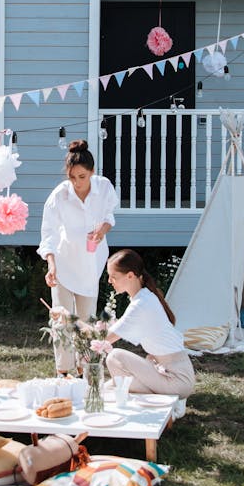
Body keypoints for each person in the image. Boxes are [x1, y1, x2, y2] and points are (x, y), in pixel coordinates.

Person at [38, 139, 118, 375]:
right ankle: (63, 370)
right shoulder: (59, 196)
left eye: (82, 177)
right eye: (72, 177)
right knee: (62, 319)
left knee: (87, 321)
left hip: (90, 263)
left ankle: (86, 368)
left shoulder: (103, 187)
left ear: (92, 173)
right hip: (63, 262)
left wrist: (102, 232)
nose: (77, 182)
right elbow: (48, 233)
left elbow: (109, 217)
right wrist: (51, 264)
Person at [103, 248, 195, 398]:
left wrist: (70, 320)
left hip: (177, 381)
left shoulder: (141, 304)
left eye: (113, 276)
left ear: (130, 276)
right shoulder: (144, 297)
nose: (109, 281)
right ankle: (165, 399)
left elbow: (105, 337)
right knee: (106, 387)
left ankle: (168, 401)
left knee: (115, 357)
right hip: (169, 372)